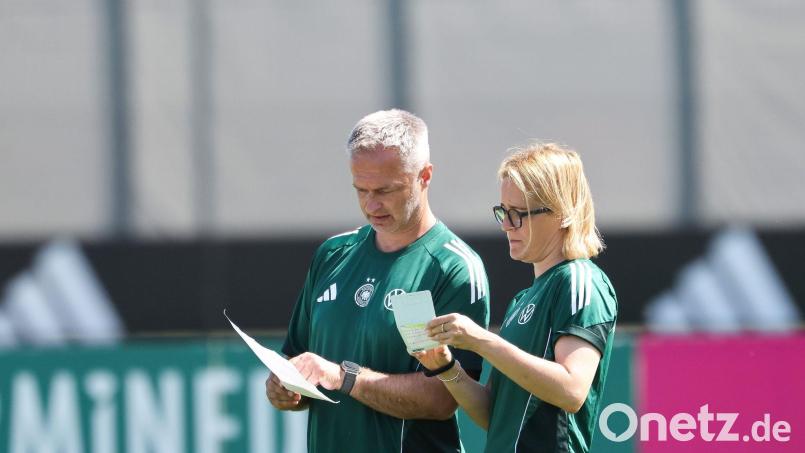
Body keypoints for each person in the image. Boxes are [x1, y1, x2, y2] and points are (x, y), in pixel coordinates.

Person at [267, 109, 490, 452]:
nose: (372, 204)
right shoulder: (332, 254)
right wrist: (285, 389)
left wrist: (344, 377)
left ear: (425, 176)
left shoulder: (454, 268)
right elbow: (299, 364)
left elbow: (443, 398)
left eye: (386, 190)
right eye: (361, 189)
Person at [414, 142, 618, 453]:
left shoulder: (580, 279)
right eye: (503, 212)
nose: (507, 225)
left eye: (519, 214)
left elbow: (573, 390)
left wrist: (482, 340)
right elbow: (492, 416)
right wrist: (446, 368)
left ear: (563, 213)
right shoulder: (523, 299)